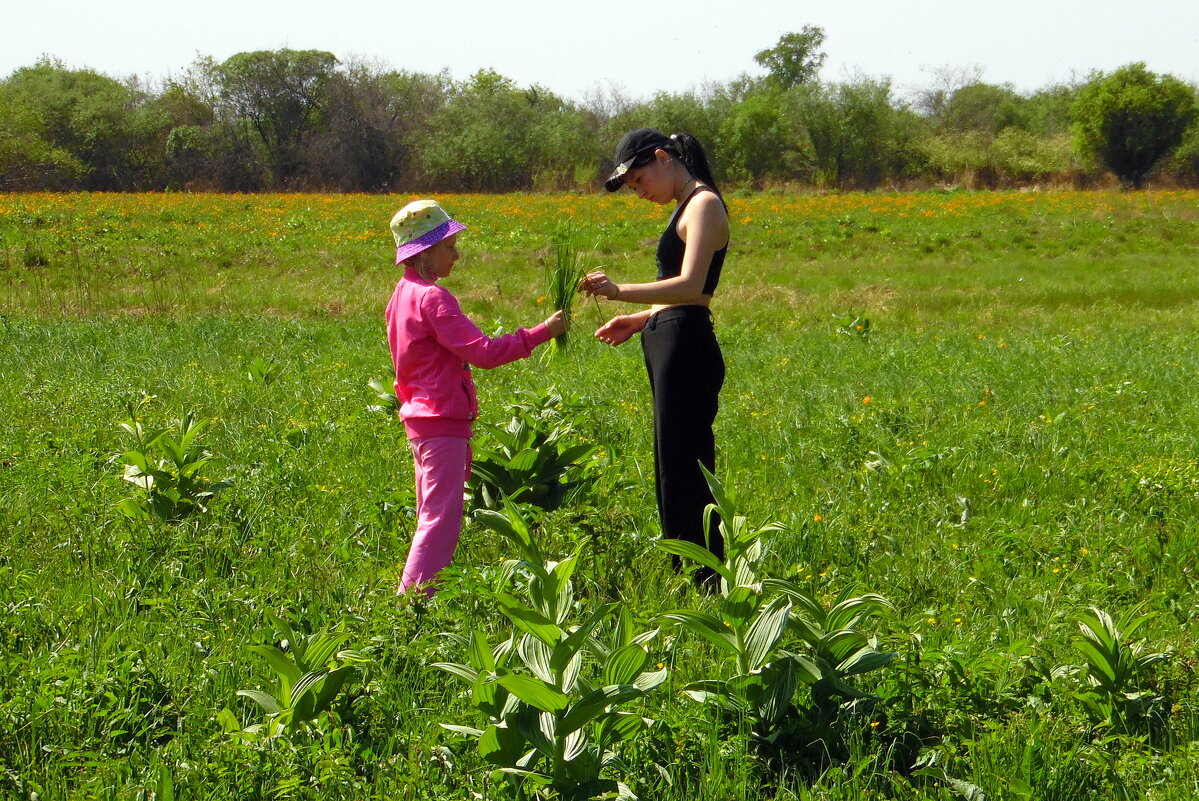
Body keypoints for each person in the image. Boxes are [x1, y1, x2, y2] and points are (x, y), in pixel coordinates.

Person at [386, 199, 566, 596]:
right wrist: (540, 333)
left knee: (430, 514)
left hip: (421, 421)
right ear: (426, 251)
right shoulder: (433, 298)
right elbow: (482, 352)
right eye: (449, 246)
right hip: (441, 421)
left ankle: (417, 600)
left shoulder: (401, 295)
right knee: (440, 519)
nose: (457, 254)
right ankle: (413, 606)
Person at [580, 128, 730, 586]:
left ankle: (704, 579)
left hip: (686, 348)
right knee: (671, 462)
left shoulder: (703, 204)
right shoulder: (686, 205)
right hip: (670, 339)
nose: (640, 192)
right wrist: (644, 318)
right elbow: (681, 297)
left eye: (640, 180)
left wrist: (619, 292)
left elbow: (691, 287)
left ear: (663, 157)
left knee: (686, 465)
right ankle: (688, 574)